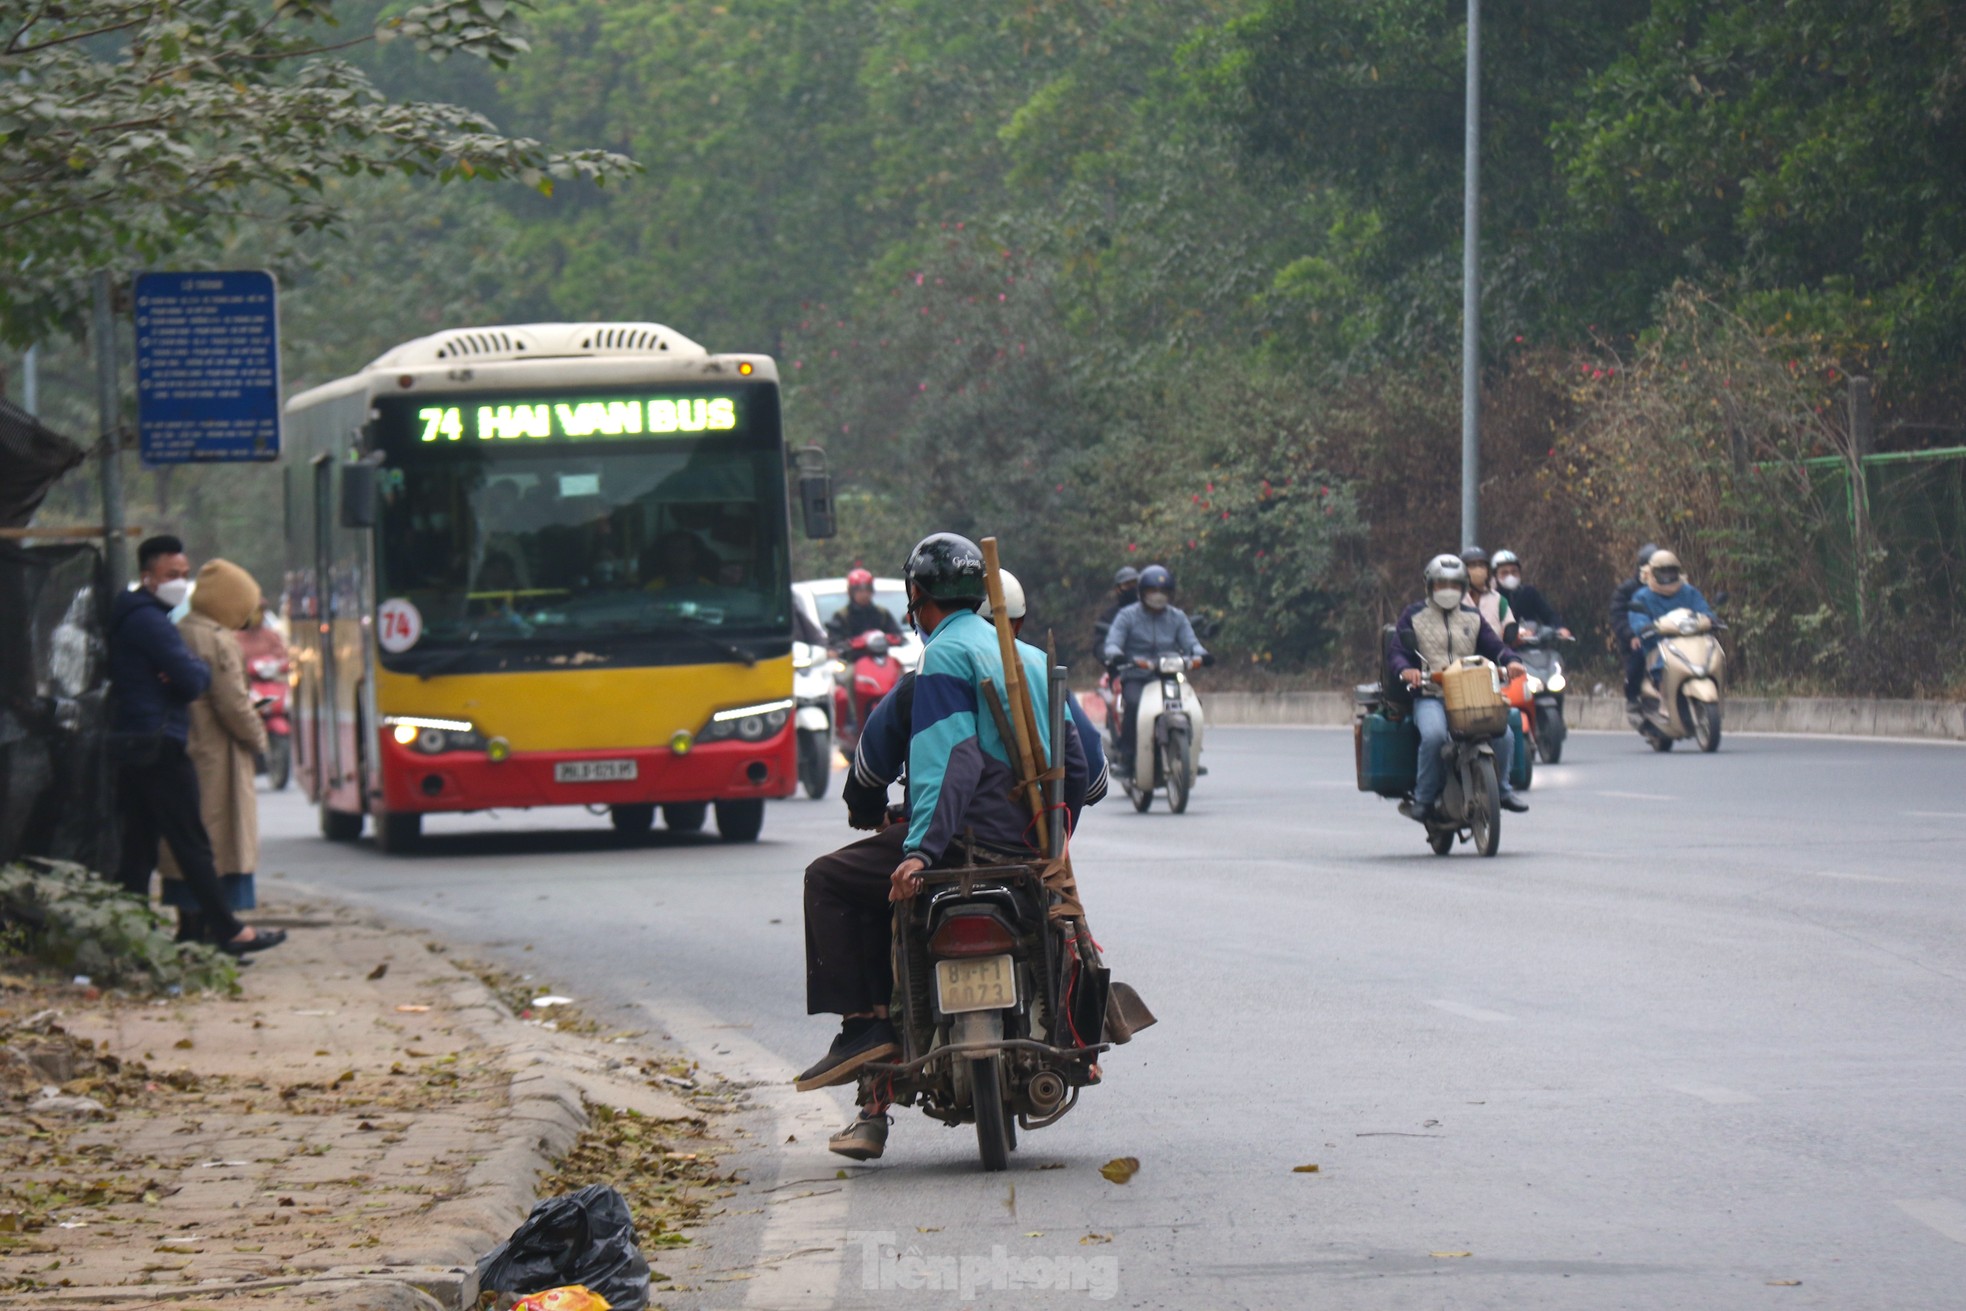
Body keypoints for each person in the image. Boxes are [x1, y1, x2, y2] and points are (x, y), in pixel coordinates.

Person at [797, 535, 1087, 1161]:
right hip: (1026, 845)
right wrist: (1051, 842)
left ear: (916, 598)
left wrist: (922, 853)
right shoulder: (1033, 662)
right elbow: (1082, 770)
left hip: (958, 840)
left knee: (829, 879)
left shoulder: (940, 660)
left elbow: (948, 762)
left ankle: (868, 1028)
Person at [109, 536, 284, 958]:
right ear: (147, 577)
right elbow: (195, 681)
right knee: (191, 842)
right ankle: (227, 930)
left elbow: (186, 676)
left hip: (141, 739)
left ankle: (127, 936)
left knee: (142, 847)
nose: (180, 583)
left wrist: (183, 673)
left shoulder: (150, 619)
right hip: (161, 742)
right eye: (172, 576)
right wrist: (187, 674)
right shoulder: (154, 623)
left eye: (184, 575)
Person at [159, 561, 270, 944]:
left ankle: (192, 927)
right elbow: (233, 704)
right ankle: (214, 931)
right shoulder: (217, 639)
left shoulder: (180, 630)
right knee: (218, 844)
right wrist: (259, 738)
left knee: (190, 843)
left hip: (190, 746)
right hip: (215, 755)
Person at [1385, 553, 1530, 821]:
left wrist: (1511, 661)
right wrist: (1407, 670)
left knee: (1505, 734)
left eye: (1454, 584)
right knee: (1434, 736)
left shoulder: (1473, 617)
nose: (1447, 590)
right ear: (1430, 586)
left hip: (1471, 694)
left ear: (1463, 587)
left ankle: (1503, 789)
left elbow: (1495, 647)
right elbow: (1397, 653)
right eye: (1441, 584)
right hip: (1431, 695)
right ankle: (1425, 799)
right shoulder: (1413, 616)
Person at [1101, 564, 1207, 777]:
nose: (1158, 596)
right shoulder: (1127, 616)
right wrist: (1116, 653)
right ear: (1142, 593)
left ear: (1171, 594)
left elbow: (1192, 643)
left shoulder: (1177, 617)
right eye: (1152, 591)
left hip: (1170, 676)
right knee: (1133, 704)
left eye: (1163, 592)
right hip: (1136, 675)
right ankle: (1127, 758)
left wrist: (1201, 655)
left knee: (1194, 704)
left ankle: (1190, 752)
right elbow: (1113, 642)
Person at [1626, 549, 1716, 679]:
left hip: (1691, 643)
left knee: (1711, 657)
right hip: (1657, 646)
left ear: (1678, 572)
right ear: (1651, 573)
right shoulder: (1642, 596)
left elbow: (1703, 609)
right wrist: (1644, 627)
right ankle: (1659, 690)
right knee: (1655, 667)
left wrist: (1710, 619)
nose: (1667, 576)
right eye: (1662, 572)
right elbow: (1637, 618)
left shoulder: (1689, 592)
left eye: (1671, 571)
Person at [1608, 542, 1660, 711]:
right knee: (1639, 655)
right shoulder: (1627, 590)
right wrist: (1631, 635)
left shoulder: (1668, 589)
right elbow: (1618, 615)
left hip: (1664, 636)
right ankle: (1632, 694)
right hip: (1637, 639)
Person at [1492, 550, 1570, 638]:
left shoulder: (1528, 593)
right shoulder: (1492, 598)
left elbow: (1548, 614)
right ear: (1495, 576)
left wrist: (1560, 627)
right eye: (1504, 573)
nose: (1510, 576)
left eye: (1514, 571)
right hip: (1502, 648)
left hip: (1533, 644)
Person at [825, 567, 902, 647]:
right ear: (851, 592)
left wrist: (884, 639)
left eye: (867, 590)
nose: (864, 595)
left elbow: (899, 637)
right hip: (854, 658)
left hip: (881, 657)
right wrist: (856, 643)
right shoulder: (841, 616)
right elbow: (835, 643)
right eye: (859, 591)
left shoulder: (882, 614)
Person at [1460, 545, 1511, 637]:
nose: (1478, 569)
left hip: (1493, 650)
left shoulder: (1498, 600)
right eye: (1472, 565)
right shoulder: (1455, 599)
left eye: (1481, 565)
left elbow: (1510, 628)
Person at [1092, 566, 1140, 649]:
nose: (1132, 587)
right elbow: (1099, 644)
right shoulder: (1108, 616)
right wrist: (1110, 655)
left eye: (1134, 583)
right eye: (1127, 585)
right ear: (1118, 589)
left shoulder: (1150, 610)